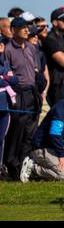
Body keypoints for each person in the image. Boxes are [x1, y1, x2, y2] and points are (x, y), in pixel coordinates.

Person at [3, 18, 41, 180]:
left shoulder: (31, 47)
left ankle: (24, 165)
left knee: (30, 131)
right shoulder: (8, 49)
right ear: (13, 30)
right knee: (16, 130)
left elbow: (36, 69)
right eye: (22, 28)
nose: (26, 30)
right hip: (17, 94)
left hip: (32, 92)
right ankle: (11, 165)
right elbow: (6, 74)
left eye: (27, 27)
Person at [0, 36, 18, 180]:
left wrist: (3, 78)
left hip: (4, 106)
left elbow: (14, 79)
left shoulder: (5, 63)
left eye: (1, 43)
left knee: (1, 138)